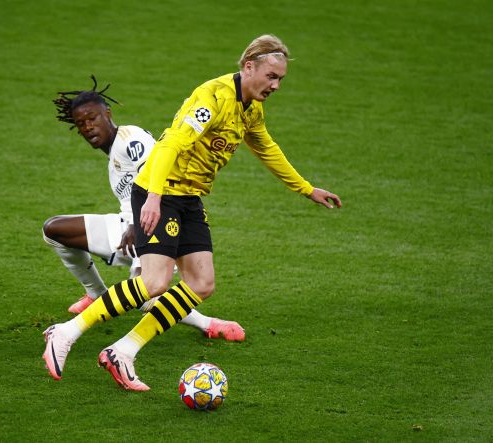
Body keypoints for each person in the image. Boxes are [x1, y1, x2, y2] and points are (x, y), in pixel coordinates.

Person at [42, 35, 342, 391]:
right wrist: (153, 198)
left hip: (189, 198)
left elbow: (267, 148)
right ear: (249, 67)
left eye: (280, 79)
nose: (276, 85)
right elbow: (171, 143)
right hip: (162, 191)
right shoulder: (212, 98)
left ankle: (123, 351)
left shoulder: (251, 110)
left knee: (201, 283)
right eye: (272, 76)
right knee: (154, 283)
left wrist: (306, 188)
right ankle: (66, 333)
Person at [41, 78, 245, 380]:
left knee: (149, 291)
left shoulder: (130, 139)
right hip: (131, 224)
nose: (88, 127)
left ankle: (206, 323)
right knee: (55, 231)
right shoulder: (114, 154)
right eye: (81, 124)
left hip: (151, 222)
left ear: (108, 113)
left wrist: (138, 224)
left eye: (92, 118)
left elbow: (157, 170)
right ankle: (97, 297)